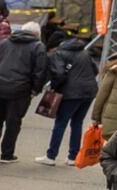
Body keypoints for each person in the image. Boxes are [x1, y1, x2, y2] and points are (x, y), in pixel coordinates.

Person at [0, 19, 48, 162]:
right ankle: (7, 154)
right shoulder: (38, 47)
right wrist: (35, 90)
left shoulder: (4, 43)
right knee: (13, 123)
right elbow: (40, 71)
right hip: (20, 89)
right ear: (37, 34)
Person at [37, 31, 99, 165]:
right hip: (89, 91)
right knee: (77, 123)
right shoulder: (84, 52)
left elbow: (58, 74)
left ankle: (51, 156)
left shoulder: (59, 54)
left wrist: (56, 88)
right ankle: (73, 157)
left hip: (71, 93)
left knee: (60, 123)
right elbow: (95, 70)